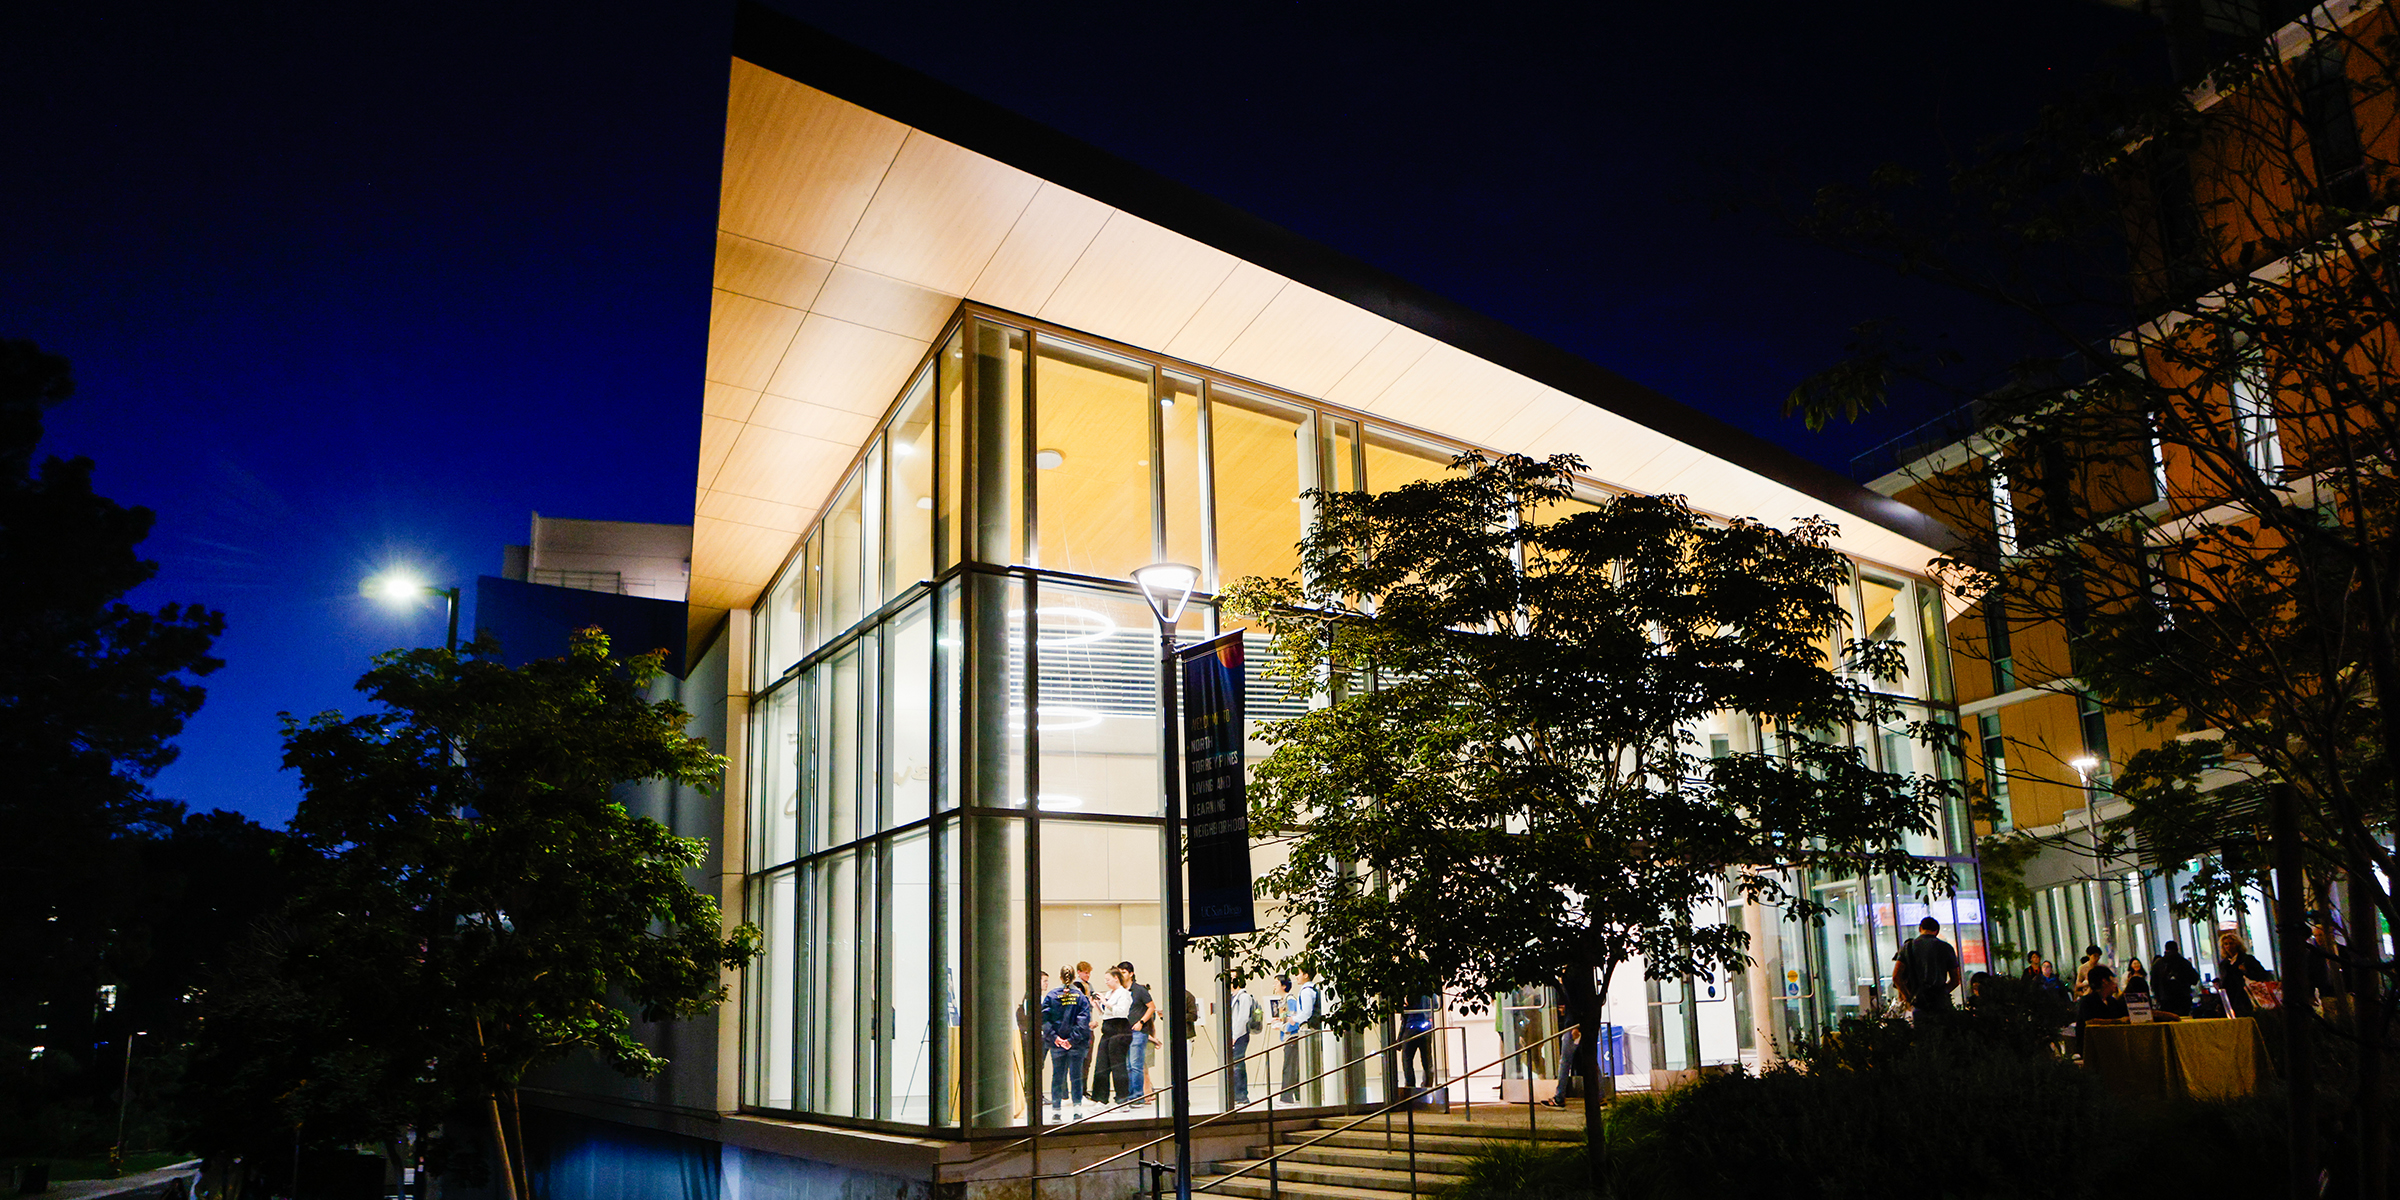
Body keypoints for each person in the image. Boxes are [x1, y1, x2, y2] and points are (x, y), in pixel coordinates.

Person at [1041, 965, 1093, 1118]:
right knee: (1076, 1076)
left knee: (1057, 1076)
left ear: (1060, 977)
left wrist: (1056, 1038)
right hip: (1076, 1044)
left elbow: (1044, 1020)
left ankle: (1056, 1110)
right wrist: (1071, 1040)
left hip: (1057, 1043)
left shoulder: (1051, 996)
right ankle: (1077, 1109)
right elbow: (1083, 1022)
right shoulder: (1081, 997)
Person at [1892, 917, 1963, 1014]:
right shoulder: (1946, 948)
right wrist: (1941, 994)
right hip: (1940, 1004)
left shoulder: (1907, 947)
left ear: (1920, 928)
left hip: (1918, 1003)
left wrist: (1909, 997)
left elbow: (1896, 976)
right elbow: (1955, 979)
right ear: (1937, 931)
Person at [1091, 967, 1135, 1105]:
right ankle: (1100, 1098)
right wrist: (1097, 1005)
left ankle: (1122, 1099)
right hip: (1108, 1029)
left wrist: (1105, 1002)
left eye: (1108, 979)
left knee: (1118, 1066)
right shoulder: (1110, 993)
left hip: (1120, 1029)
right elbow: (1105, 1015)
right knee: (1101, 1064)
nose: (1106, 982)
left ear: (1116, 978)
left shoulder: (1124, 994)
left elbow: (1121, 1012)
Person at [1118, 961, 1156, 1101]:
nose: (1121, 975)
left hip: (1138, 1031)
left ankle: (1137, 1096)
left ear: (1131, 973)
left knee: (1136, 1065)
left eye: (1123, 972)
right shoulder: (1121, 991)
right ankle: (1130, 1095)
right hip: (1124, 1031)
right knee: (1127, 1065)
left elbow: (1151, 1007)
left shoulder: (1140, 990)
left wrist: (1141, 1022)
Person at [2217, 930, 2274, 1017]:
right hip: (2231, 997)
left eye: (2231, 943)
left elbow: (2262, 975)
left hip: (2246, 997)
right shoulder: (2224, 964)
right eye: (2226, 944)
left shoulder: (2247, 959)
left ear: (2237, 945)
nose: (2229, 946)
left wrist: (2246, 972)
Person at [1228, 983, 1263, 1106]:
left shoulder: (1244, 997)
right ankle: (1236, 1095)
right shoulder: (1233, 996)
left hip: (1240, 1036)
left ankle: (1241, 1096)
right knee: (1235, 1066)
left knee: (1238, 1066)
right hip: (1235, 1035)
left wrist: (1234, 1036)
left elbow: (1242, 1018)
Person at [1396, 994, 1437, 1092]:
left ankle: (1410, 1086)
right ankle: (1427, 1085)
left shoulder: (1408, 989)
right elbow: (1435, 1005)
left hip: (1410, 1027)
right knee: (1426, 1059)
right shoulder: (1428, 990)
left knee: (1407, 1060)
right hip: (1424, 1027)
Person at [2151, 940, 2201, 1015]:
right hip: (2183, 999)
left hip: (2165, 1000)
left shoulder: (2158, 964)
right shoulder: (2184, 963)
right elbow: (2194, 979)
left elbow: (2154, 983)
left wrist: (2158, 997)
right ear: (2177, 949)